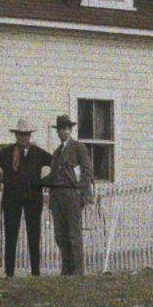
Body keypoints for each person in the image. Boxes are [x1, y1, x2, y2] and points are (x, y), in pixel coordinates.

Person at [0, 118, 52, 277]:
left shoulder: (38, 153)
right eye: (20, 135)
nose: (23, 138)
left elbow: (56, 164)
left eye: (26, 135)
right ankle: (9, 273)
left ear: (30, 136)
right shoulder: (6, 152)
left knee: (34, 236)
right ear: (16, 135)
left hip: (33, 199)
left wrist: (45, 182)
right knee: (11, 235)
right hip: (12, 199)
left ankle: (35, 273)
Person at [47, 112, 92, 276]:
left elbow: (87, 171)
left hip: (72, 195)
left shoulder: (78, 147)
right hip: (57, 197)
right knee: (60, 235)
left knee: (74, 234)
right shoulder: (56, 152)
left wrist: (81, 193)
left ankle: (77, 270)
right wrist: (51, 198)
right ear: (57, 131)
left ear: (70, 130)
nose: (63, 132)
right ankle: (66, 268)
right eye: (60, 129)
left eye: (66, 128)